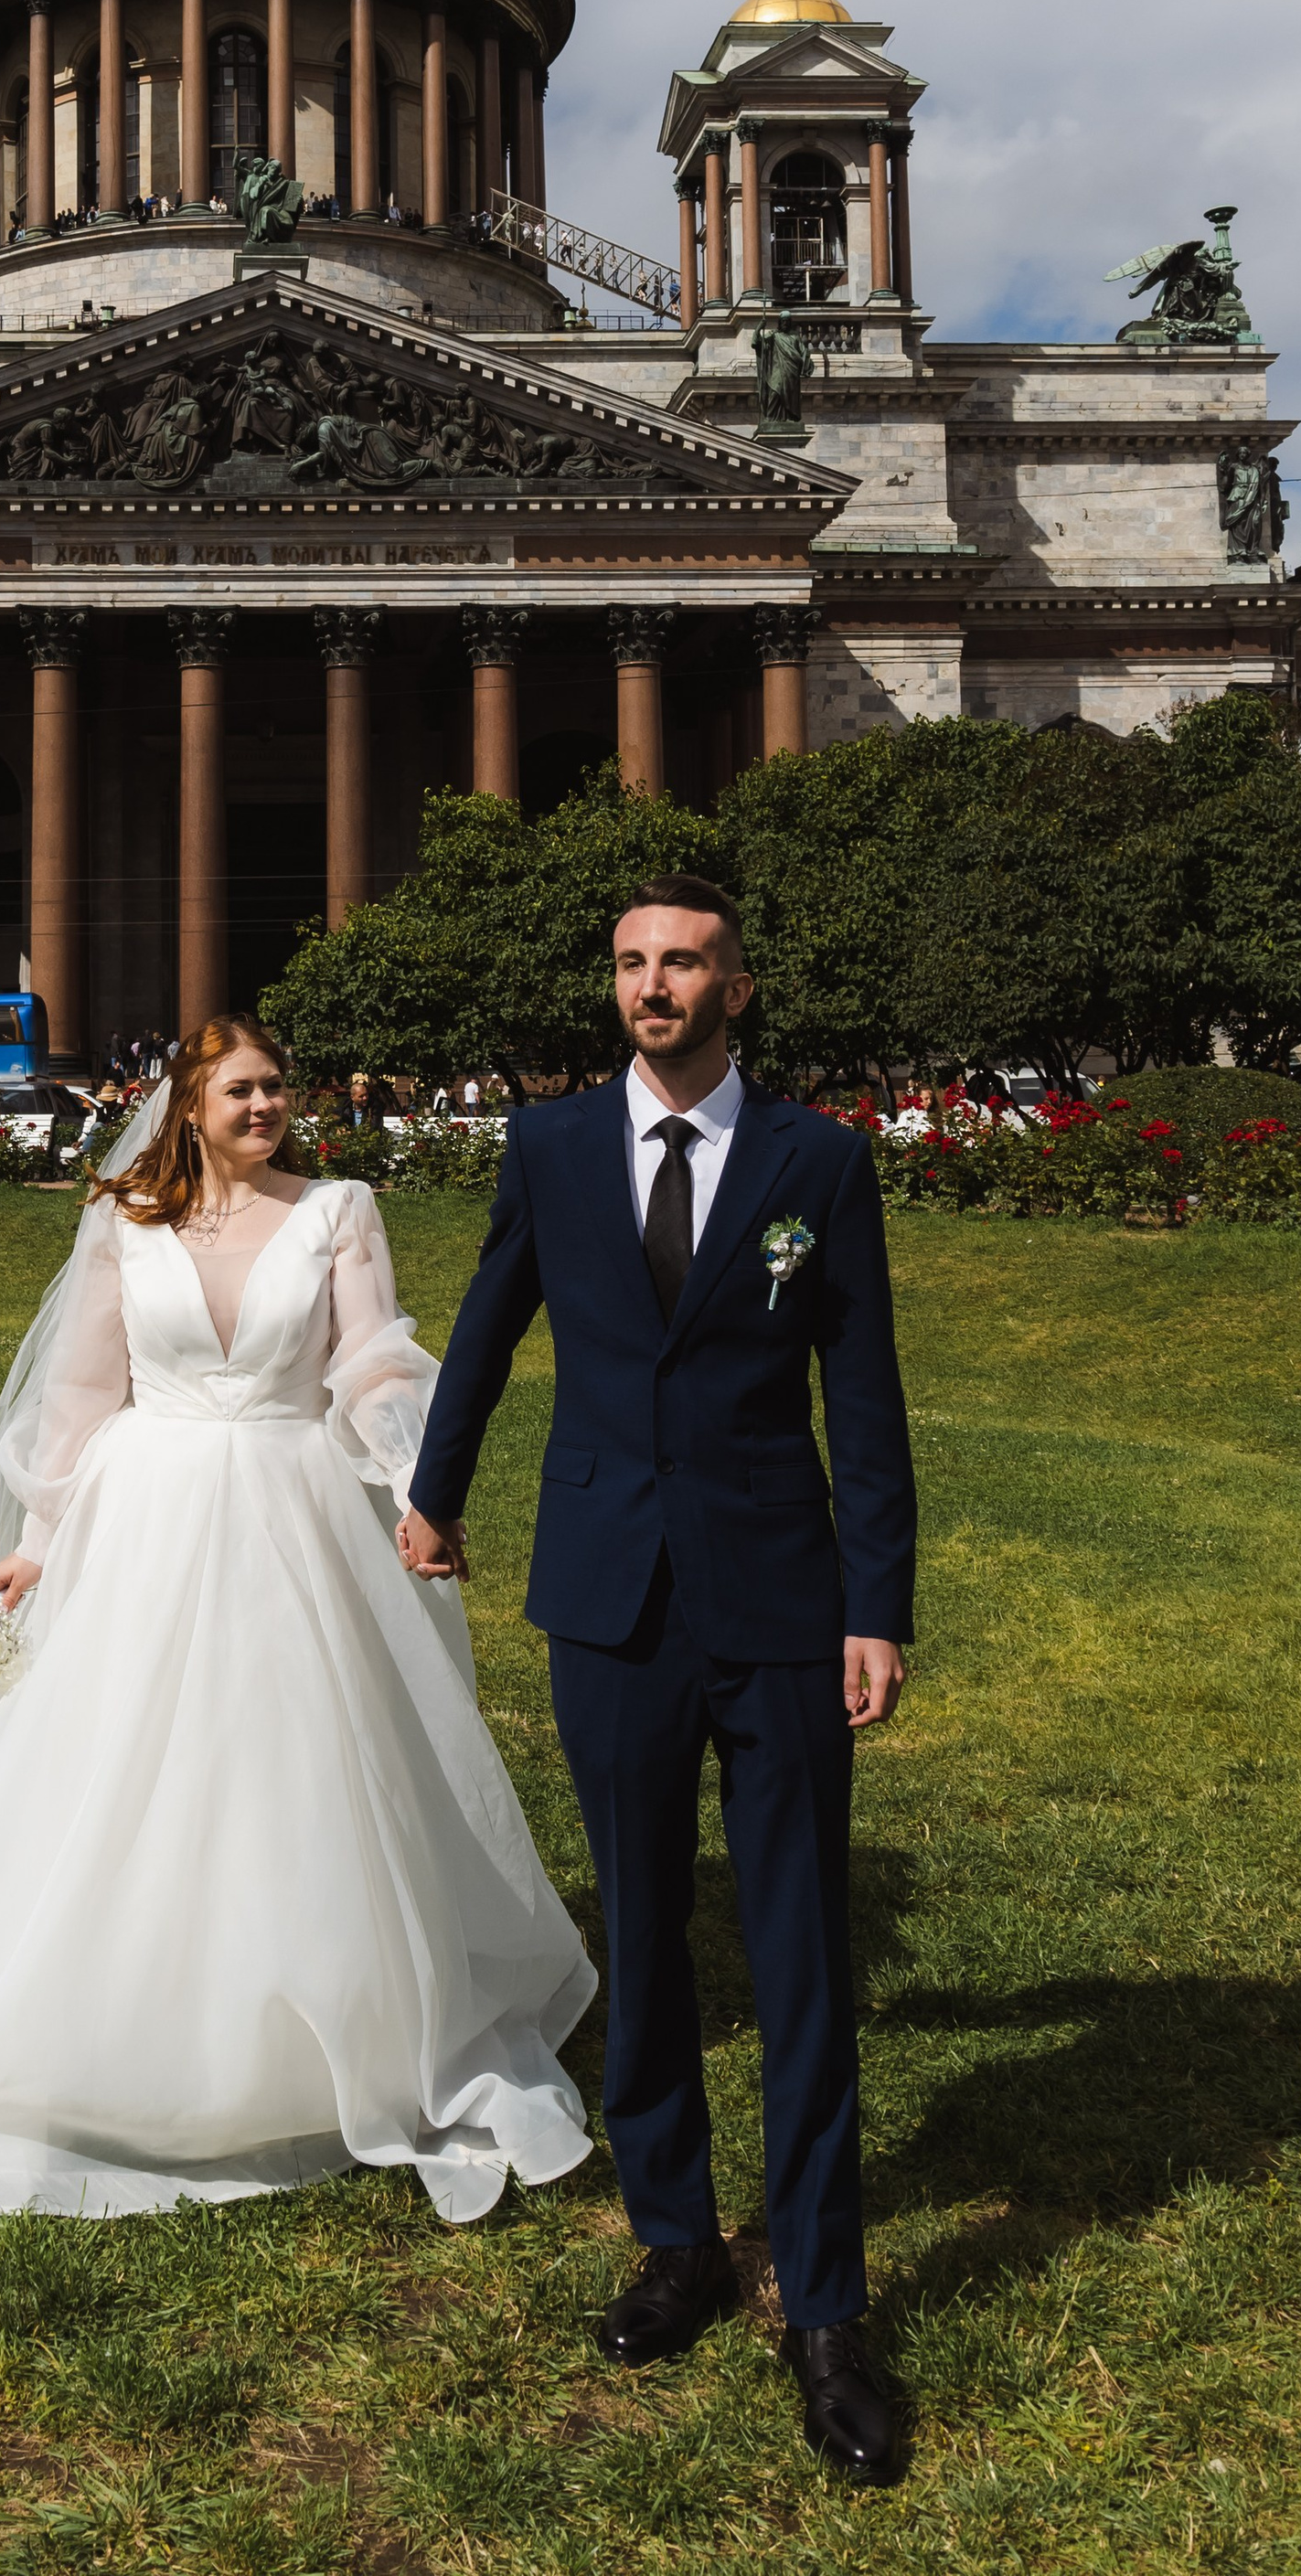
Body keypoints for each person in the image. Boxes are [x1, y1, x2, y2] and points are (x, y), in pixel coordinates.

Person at [0, 1016, 594, 2219]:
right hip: (145, 1515)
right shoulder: (124, 1221)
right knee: (118, 1756)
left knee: (297, 1758)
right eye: (240, 1091)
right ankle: (108, 2006)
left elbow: (372, 1360)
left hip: (296, 1508)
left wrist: (416, 1482)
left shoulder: (338, 1210)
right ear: (189, 1105)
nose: (265, 1108)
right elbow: (82, 1388)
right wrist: (40, 1538)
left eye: (276, 1088)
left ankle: (324, 2014)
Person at [400, 878, 916, 2483]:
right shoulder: (551, 1145)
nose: (653, 985)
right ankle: (678, 2237)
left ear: (735, 988)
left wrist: (877, 1605)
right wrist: (435, 1490)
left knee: (800, 1946)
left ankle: (825, 2308)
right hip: (609, 1594)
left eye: (683, 962)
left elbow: (865, 1390)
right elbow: (489, 1325)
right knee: (642, 1924)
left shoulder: (818, 1161)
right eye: (631, 962)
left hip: (781, 1597)